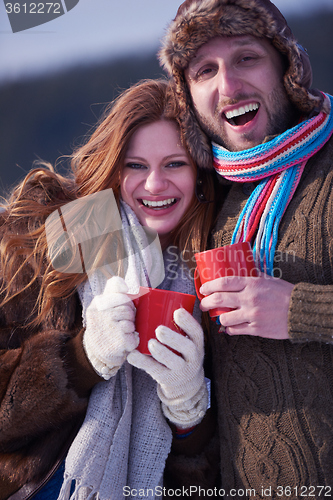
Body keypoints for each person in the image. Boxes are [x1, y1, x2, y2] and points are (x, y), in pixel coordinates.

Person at [0, 79, 218, 499]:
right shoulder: (50, 238)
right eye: (136, 165)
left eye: (175, 164)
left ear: (201, 173)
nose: (154, 184)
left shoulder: (212, 266)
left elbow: (207, 480)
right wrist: (82, 358)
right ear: (113, 166)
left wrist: (189, 407)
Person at [159, 0, 333, 495]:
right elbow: (98, 191)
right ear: (189, 95)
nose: (228, 86)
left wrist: (300, 310)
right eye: (204, 71)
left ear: (287, 66)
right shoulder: (203, 201)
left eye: (246, 58)